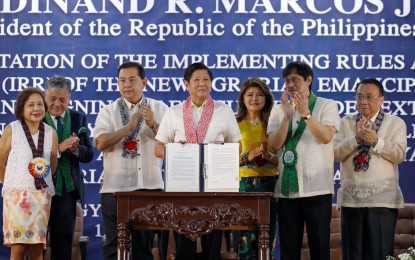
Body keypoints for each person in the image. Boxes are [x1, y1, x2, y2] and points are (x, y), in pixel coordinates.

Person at [155, 62, 242, 260]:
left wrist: (221, 152)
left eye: (206, 80)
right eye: (196, 80)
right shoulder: (173, 112)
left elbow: (238, 147)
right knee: (185, 248)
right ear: (186, 84)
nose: (202, 84)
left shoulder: (224, 111)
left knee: (213, 249)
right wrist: (178, 152)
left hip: (215, 189)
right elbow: (158, 148)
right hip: (183, 189)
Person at [94, 61, 168, 260]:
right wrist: (129, 126)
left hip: (149, 188)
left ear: (144, 82)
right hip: (114, 190)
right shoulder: (108, 111)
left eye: (132, 80)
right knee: (113, 247)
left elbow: (172, 145)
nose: (127, 85)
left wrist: (152, 124)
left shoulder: (159, 108)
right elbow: (100, 143)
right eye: (122, 80)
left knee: (143, 249)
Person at [267, 61, 341, 260]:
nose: (290, 85)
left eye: (295, 80)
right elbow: (273, 145)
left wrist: (306, 114)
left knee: (319, 249)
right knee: (289, 250)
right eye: (286, 81)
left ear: (308, 80)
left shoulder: (327, 105)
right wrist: (286, 118)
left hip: (317, 189)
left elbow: (325, 136)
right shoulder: (279, 109)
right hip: (287, 192)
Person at [334, 78, 407, 259]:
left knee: (380, 254)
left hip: (382, 201)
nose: (363, 102)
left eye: (369, 97)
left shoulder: (395, 123)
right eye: (359, 97)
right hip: (352, 201)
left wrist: (376, 141)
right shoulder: (346, 122)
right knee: (353, 255)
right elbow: (334, 154)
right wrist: (356, 139)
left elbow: (399, 155)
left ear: (381, 100)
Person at [0, 87, 58, 260]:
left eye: (40, 104)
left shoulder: (51, 133)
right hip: (16, 197)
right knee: (18, 247)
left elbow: (52, 166)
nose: (36, 109)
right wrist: (8, 182)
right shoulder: (12, 129)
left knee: (37, 248)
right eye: (31, 105)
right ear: (21, 108)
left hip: (41, 197)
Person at [43, 76, 94, 260]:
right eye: (52, 99)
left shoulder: (78, 118)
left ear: (69, 98)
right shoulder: (36, 118)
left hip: (66, 191)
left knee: (63, 244)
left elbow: (88, 154)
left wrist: (75, 149)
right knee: (35, 244)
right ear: (44, 97)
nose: (57, 104)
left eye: (62, 100)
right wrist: (59, 148)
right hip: (39, 190)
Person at [235, 78, 278, 259]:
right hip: (244, 186)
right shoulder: (234, 123)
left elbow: (284, 159)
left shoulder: (274, 124)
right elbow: (227, 161)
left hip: (270, 186)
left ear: (266, 99)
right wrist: (247, 157)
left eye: (260, 94)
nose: (255, 98)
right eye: (250, 94)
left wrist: (268, 156)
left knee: (267, 238)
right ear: (243, 99)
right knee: (246, 237)